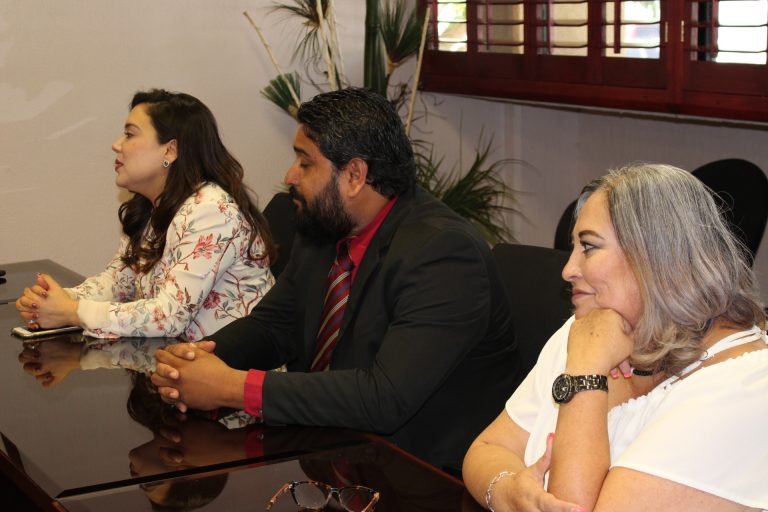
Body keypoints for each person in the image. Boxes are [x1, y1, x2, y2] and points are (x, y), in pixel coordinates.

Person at [150, 87, 520, 472]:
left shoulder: (443, 254)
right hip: (329, 453)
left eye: (305, 162)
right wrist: (196, 361)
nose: (289, 175)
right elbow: (276, 327)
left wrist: (231, 387)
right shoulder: (326, 226)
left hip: (423, 476)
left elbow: (384, 398)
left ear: (355, 176)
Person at [463, 164, 767, 512]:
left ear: (654, 256)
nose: (567, 270)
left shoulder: (746, 387)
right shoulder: (594, 327)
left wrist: (585, 371)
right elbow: (487, 449)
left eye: (588, 247)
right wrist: (507, 492)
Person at [15, 89, 275, 341]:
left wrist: (72, 312)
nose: (116, 145)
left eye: (130, 135)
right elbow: (119, 283)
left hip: (231, 366)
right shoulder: (152, 206)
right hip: (174, 359)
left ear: (170, 151)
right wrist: (55, 301)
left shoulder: (211, 211)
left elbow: (169, 315)